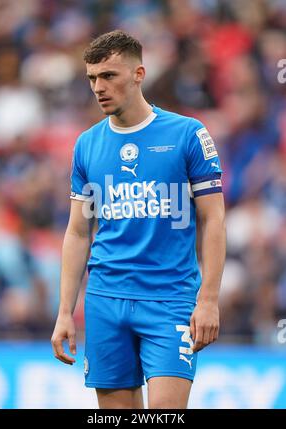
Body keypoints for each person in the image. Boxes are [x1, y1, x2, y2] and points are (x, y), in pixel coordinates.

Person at [51, 29, 226, 409]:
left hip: (170, 300)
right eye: (92, 78)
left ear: (138, 74)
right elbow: (78, 232)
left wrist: (209, 299)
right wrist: (65, 311)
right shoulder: (87, 144)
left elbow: (213, 219)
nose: (98, 86)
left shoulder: (188, 135)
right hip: (105, 300)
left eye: (109, 75)